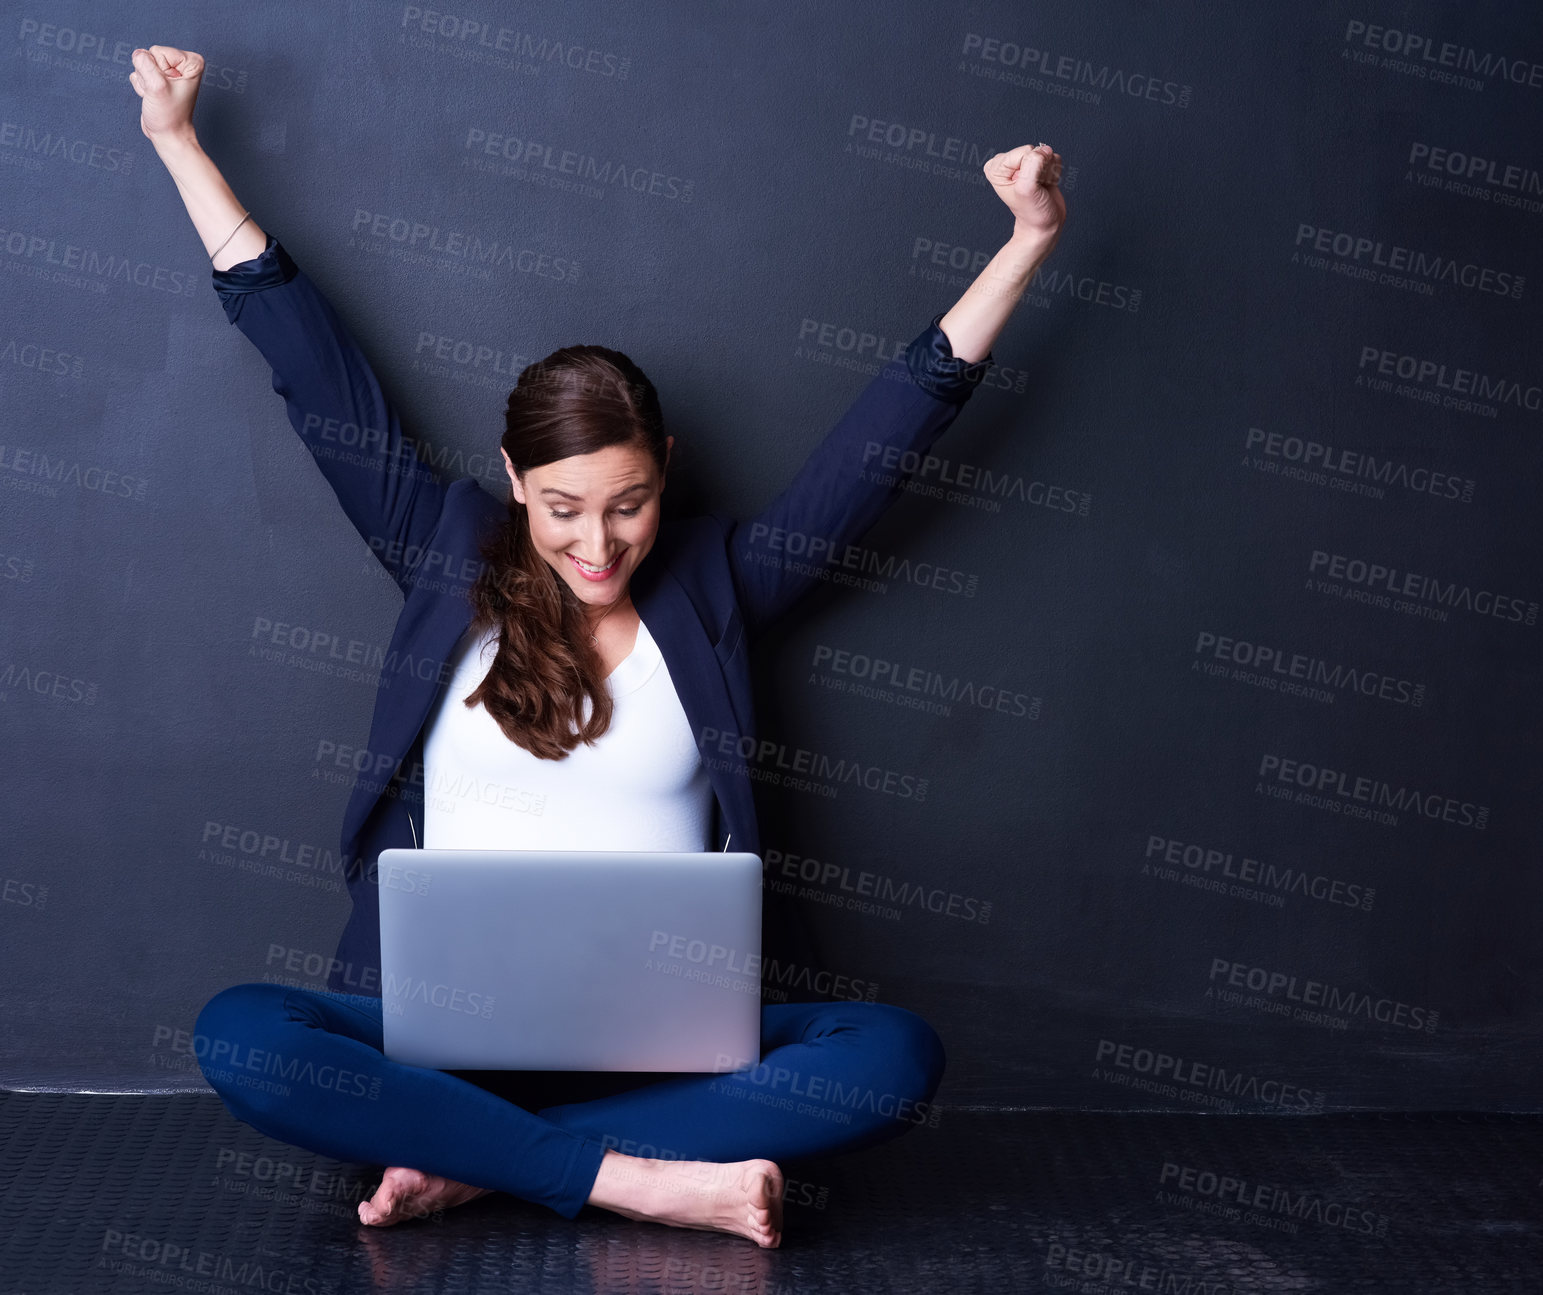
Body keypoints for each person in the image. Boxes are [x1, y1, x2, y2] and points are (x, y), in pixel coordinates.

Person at [130, 43, 1066, 1248]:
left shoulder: (721, 584)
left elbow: (878, 449)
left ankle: (488, 1162)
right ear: (514, 477)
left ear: (663, 474)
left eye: (626, 502)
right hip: (437, 1039)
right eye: (562, 505)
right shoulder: (442, 549)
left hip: (660, 1055)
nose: (596, 540)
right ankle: (642, 1180)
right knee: (242, 1034)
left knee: (889, 1054)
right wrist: (178, 144)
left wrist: (1025, 242)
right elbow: (315, 372)